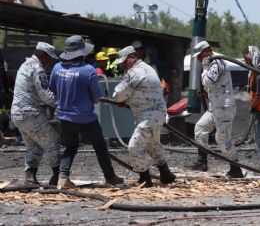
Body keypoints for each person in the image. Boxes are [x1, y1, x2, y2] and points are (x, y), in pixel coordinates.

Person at [49, 35, 124, 189]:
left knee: (70, 147)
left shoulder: (57, 68)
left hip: (64, 117)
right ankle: (110, 177)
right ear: (81, 52)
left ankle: (63, 177)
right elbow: (96, 97)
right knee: (100, 147)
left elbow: (52, 89)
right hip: (85, 119)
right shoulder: (88, 70)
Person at [110, 46, 176, 188]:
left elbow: (118, 95)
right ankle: (166, 175)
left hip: (149, 115)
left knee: (134, 146)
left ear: (132, 57)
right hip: (154, 113)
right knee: (153, 144)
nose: (122, 65)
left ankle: (145, 179)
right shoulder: (147, 68)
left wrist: (120, 99)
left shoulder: (135, 72)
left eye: (124, 61)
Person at [189, 41, 243, 178]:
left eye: (200, 55)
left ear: (207, 51)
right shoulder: (213, 64)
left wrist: (205, 67)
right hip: (215, 107)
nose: (198, 58)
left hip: (224, 108)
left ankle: (236, 169)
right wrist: (207, 93)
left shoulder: (216, 63)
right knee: (200, 128)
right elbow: (216, 85)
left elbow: (208, 81)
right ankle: (202, 162)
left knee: (223, 140)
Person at [11, 42, 61, 185]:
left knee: (34, 145)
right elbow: (45, 95)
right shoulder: (37, 69)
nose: (50, 62)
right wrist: (61, 104)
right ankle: (57, 175)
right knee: (52, 141)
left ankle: (30, 176)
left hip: (18, 113)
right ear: (41, 54)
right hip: (30, 112)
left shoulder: (24, 65)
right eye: (49, 58)